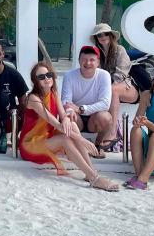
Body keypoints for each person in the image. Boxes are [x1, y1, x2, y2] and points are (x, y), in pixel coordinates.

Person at [19, 61, 119, 191]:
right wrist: (83, 140)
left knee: (72, 125)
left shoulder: (53, 92)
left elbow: (62, 115)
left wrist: (66, 119)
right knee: (65, 139)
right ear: (35, 81)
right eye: (41, 77)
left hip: (47, 136)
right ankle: (94, 178)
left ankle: (91, 173)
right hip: (30, 144)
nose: (46, 79)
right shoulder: (33, 99)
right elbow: (55, 124)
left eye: (48, 75)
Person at [60, 44, 116, 155]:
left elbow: (105, 104)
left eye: (92, 60)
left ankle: (98, 145)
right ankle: (79, 147)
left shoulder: (104, 75)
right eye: (84, 59)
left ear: (98, 62)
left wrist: (81, 109)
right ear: (79, 61)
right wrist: (71, 111)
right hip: (77, 118)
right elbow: (66, 102)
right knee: (68, 116)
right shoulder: (69, 76)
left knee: (105, 116)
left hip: (94, 118)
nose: (88, 63)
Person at [91, 23, 138, 149]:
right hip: (111, 90)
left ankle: (111, 133)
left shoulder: (120, 50)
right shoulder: (97, 54)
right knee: (107, 91)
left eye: (106, 33)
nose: (103, 36)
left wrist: (104, 86)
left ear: (111, 35)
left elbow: (121, 75)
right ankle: (102, 133)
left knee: (113, 89)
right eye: (99, 35)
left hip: (128, 87)